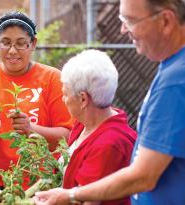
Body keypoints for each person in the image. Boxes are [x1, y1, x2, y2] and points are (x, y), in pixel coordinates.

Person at [34, 0, 185, 205]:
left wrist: (71, 195)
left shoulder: (177, 81)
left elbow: (144, 175)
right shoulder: (176, 69)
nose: (123, 29)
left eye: (130, 20)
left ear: (166, 20)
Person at [0, 11, 73, 204]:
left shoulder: (53, 79)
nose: (12, 51)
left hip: (38, 191)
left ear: (33, 44)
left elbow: (69, 137)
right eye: (5, 42)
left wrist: (31, 130)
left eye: (21, 43)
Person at [58, 49, 136, 205]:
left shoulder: (108, 145)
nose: (63, 99)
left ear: (83, 99)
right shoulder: (84, 123)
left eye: (65, 94)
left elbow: (88, 201)